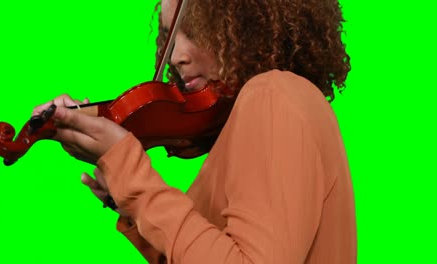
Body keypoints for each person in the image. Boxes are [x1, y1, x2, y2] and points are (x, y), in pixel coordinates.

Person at [33, 0, 356, 263]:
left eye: (197, 32)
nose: (177, 56)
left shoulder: (273, 95)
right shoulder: (272, 110)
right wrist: (127, 199)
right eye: (172, 37)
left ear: (248, 26)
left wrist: (133, 178)